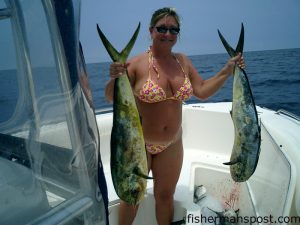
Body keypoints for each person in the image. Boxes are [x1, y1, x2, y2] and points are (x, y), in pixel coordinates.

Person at [105, 7, 245, 225]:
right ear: (151, 30)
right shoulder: (135, 64)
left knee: (165, 197)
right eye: (162, 28)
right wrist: (114, 77)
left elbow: (202, 90)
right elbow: (110, 97)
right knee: (131, 199)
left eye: (173, 30)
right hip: (139, 145)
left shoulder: (183, 61)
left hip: (172, 143)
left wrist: (227, 70)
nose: (168, 34)